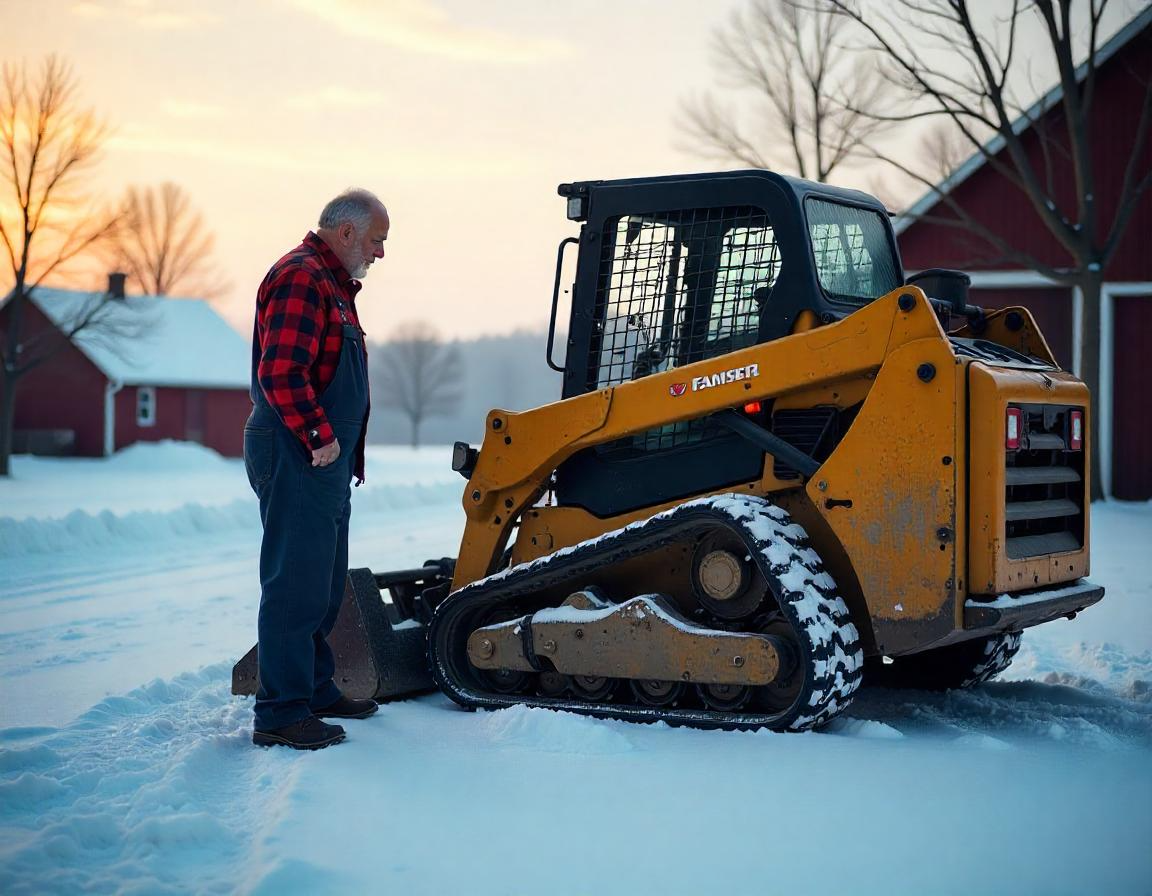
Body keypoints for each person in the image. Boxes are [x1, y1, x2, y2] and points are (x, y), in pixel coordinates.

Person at [244, 188, 389, 749]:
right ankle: (280, 712)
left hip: (322, 459)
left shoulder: (334, 287)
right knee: (294, 585)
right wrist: (318, 436)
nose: (380, 253)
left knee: (325, 583)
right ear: (347, 232)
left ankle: (315, 687)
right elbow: (281, 372)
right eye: (377, 240)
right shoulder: (301, 277)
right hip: (297, 451)